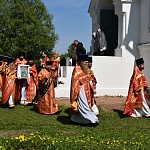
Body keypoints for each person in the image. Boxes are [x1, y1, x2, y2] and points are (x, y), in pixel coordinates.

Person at [70, 54, 99, 126]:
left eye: (87, 62)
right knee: (83, 105)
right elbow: (76, 81)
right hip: (80, 91)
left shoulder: (85, 70)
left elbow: (89, 79)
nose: (86, 64)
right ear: (81, 62)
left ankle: (75, 119)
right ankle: (91, 119)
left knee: (85, 105)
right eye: (85, 63)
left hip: (87, 91)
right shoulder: (77, 69)